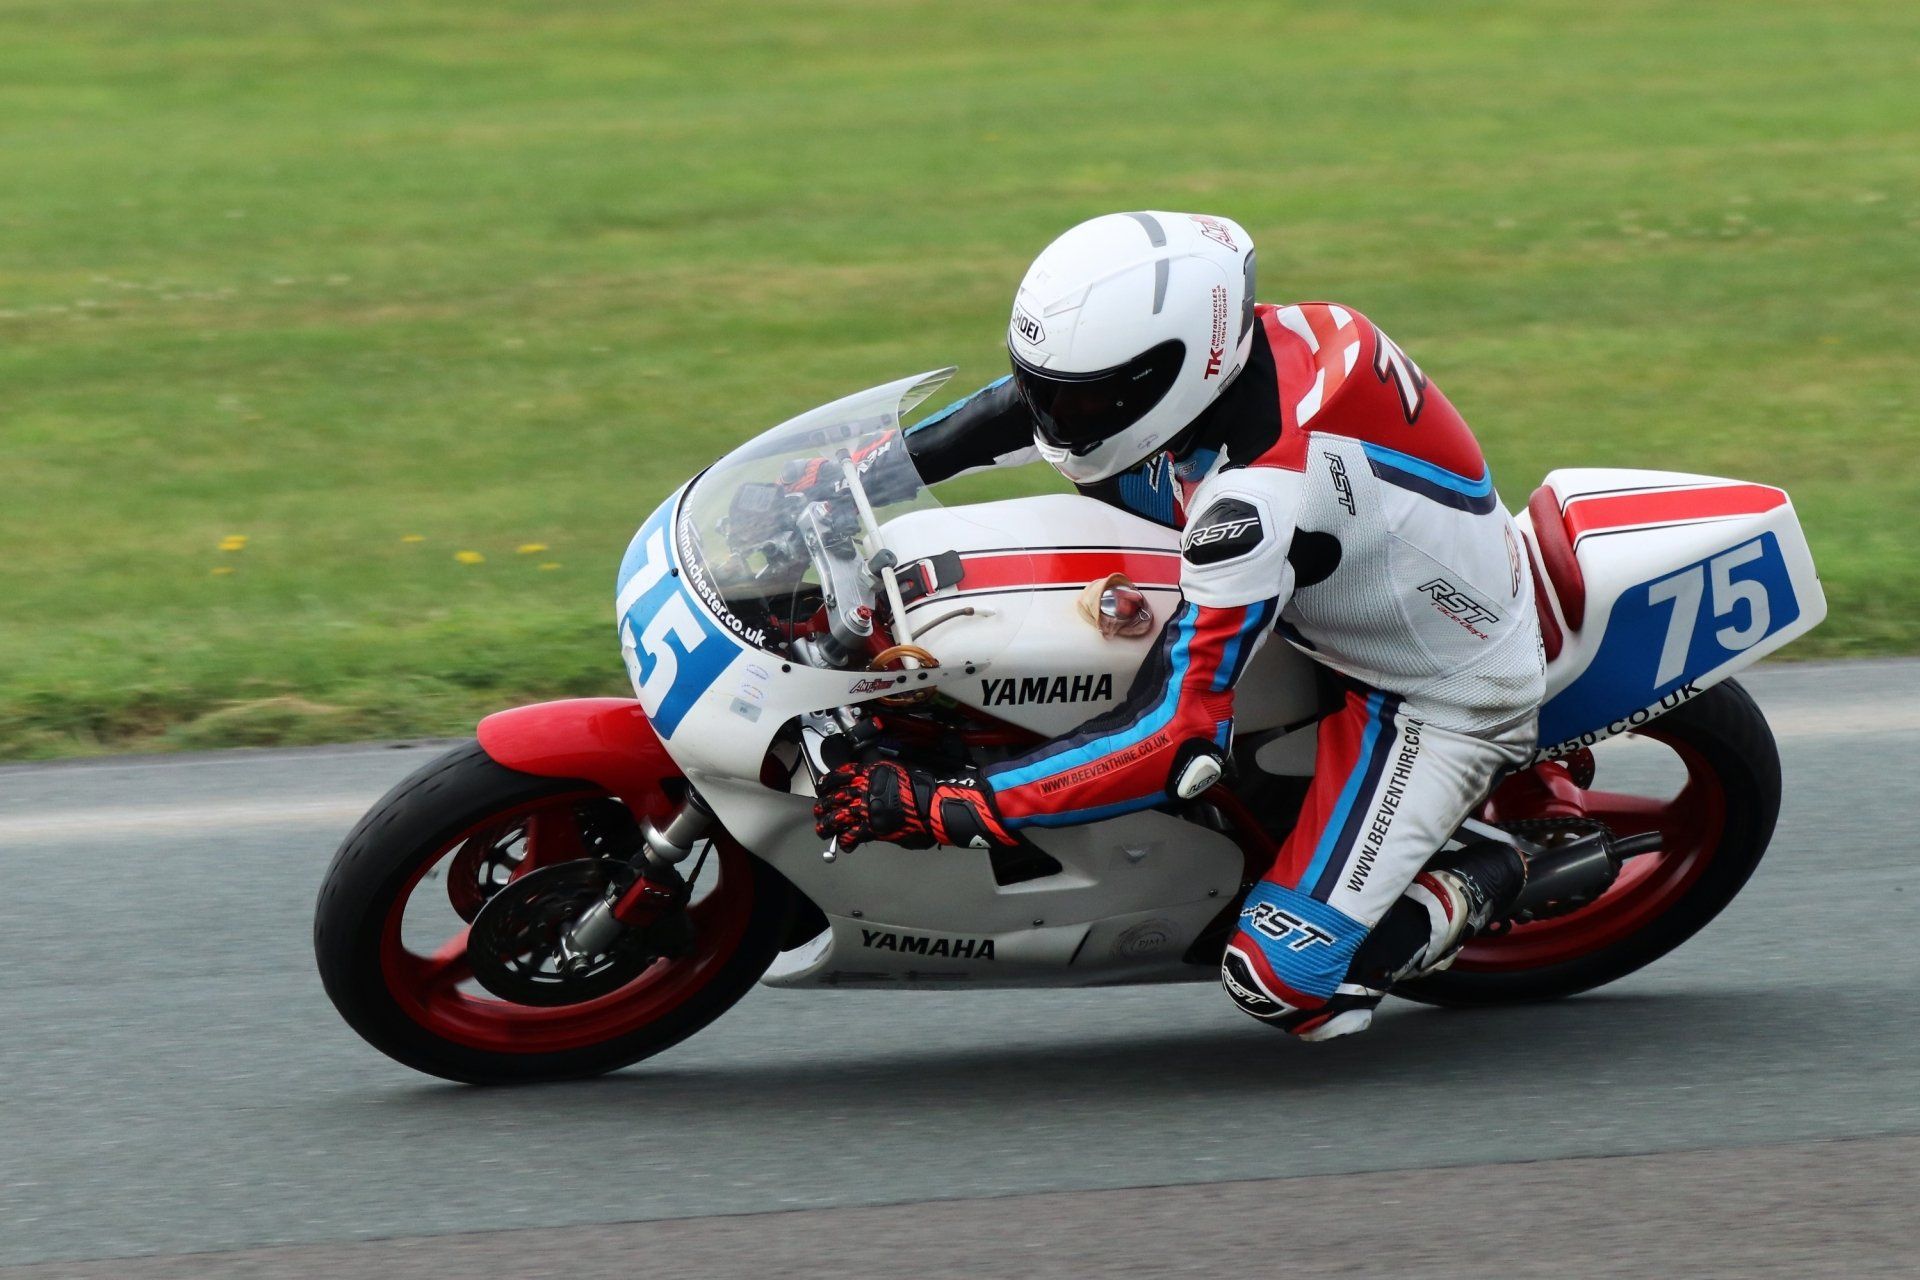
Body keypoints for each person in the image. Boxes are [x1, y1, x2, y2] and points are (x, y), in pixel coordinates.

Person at [811, 211, 1545, 1039]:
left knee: (1283, 979)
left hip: (1431, 690)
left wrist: (956, 803)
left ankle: (1489, 868)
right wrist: (855, 477)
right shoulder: (1247, 348)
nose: (1057, 416)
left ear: (1185, 366)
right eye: (1048, 385)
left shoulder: (1253, 504)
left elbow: (1176, 736)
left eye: (1084, 397)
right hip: (1349, 563)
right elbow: (1023, 413)